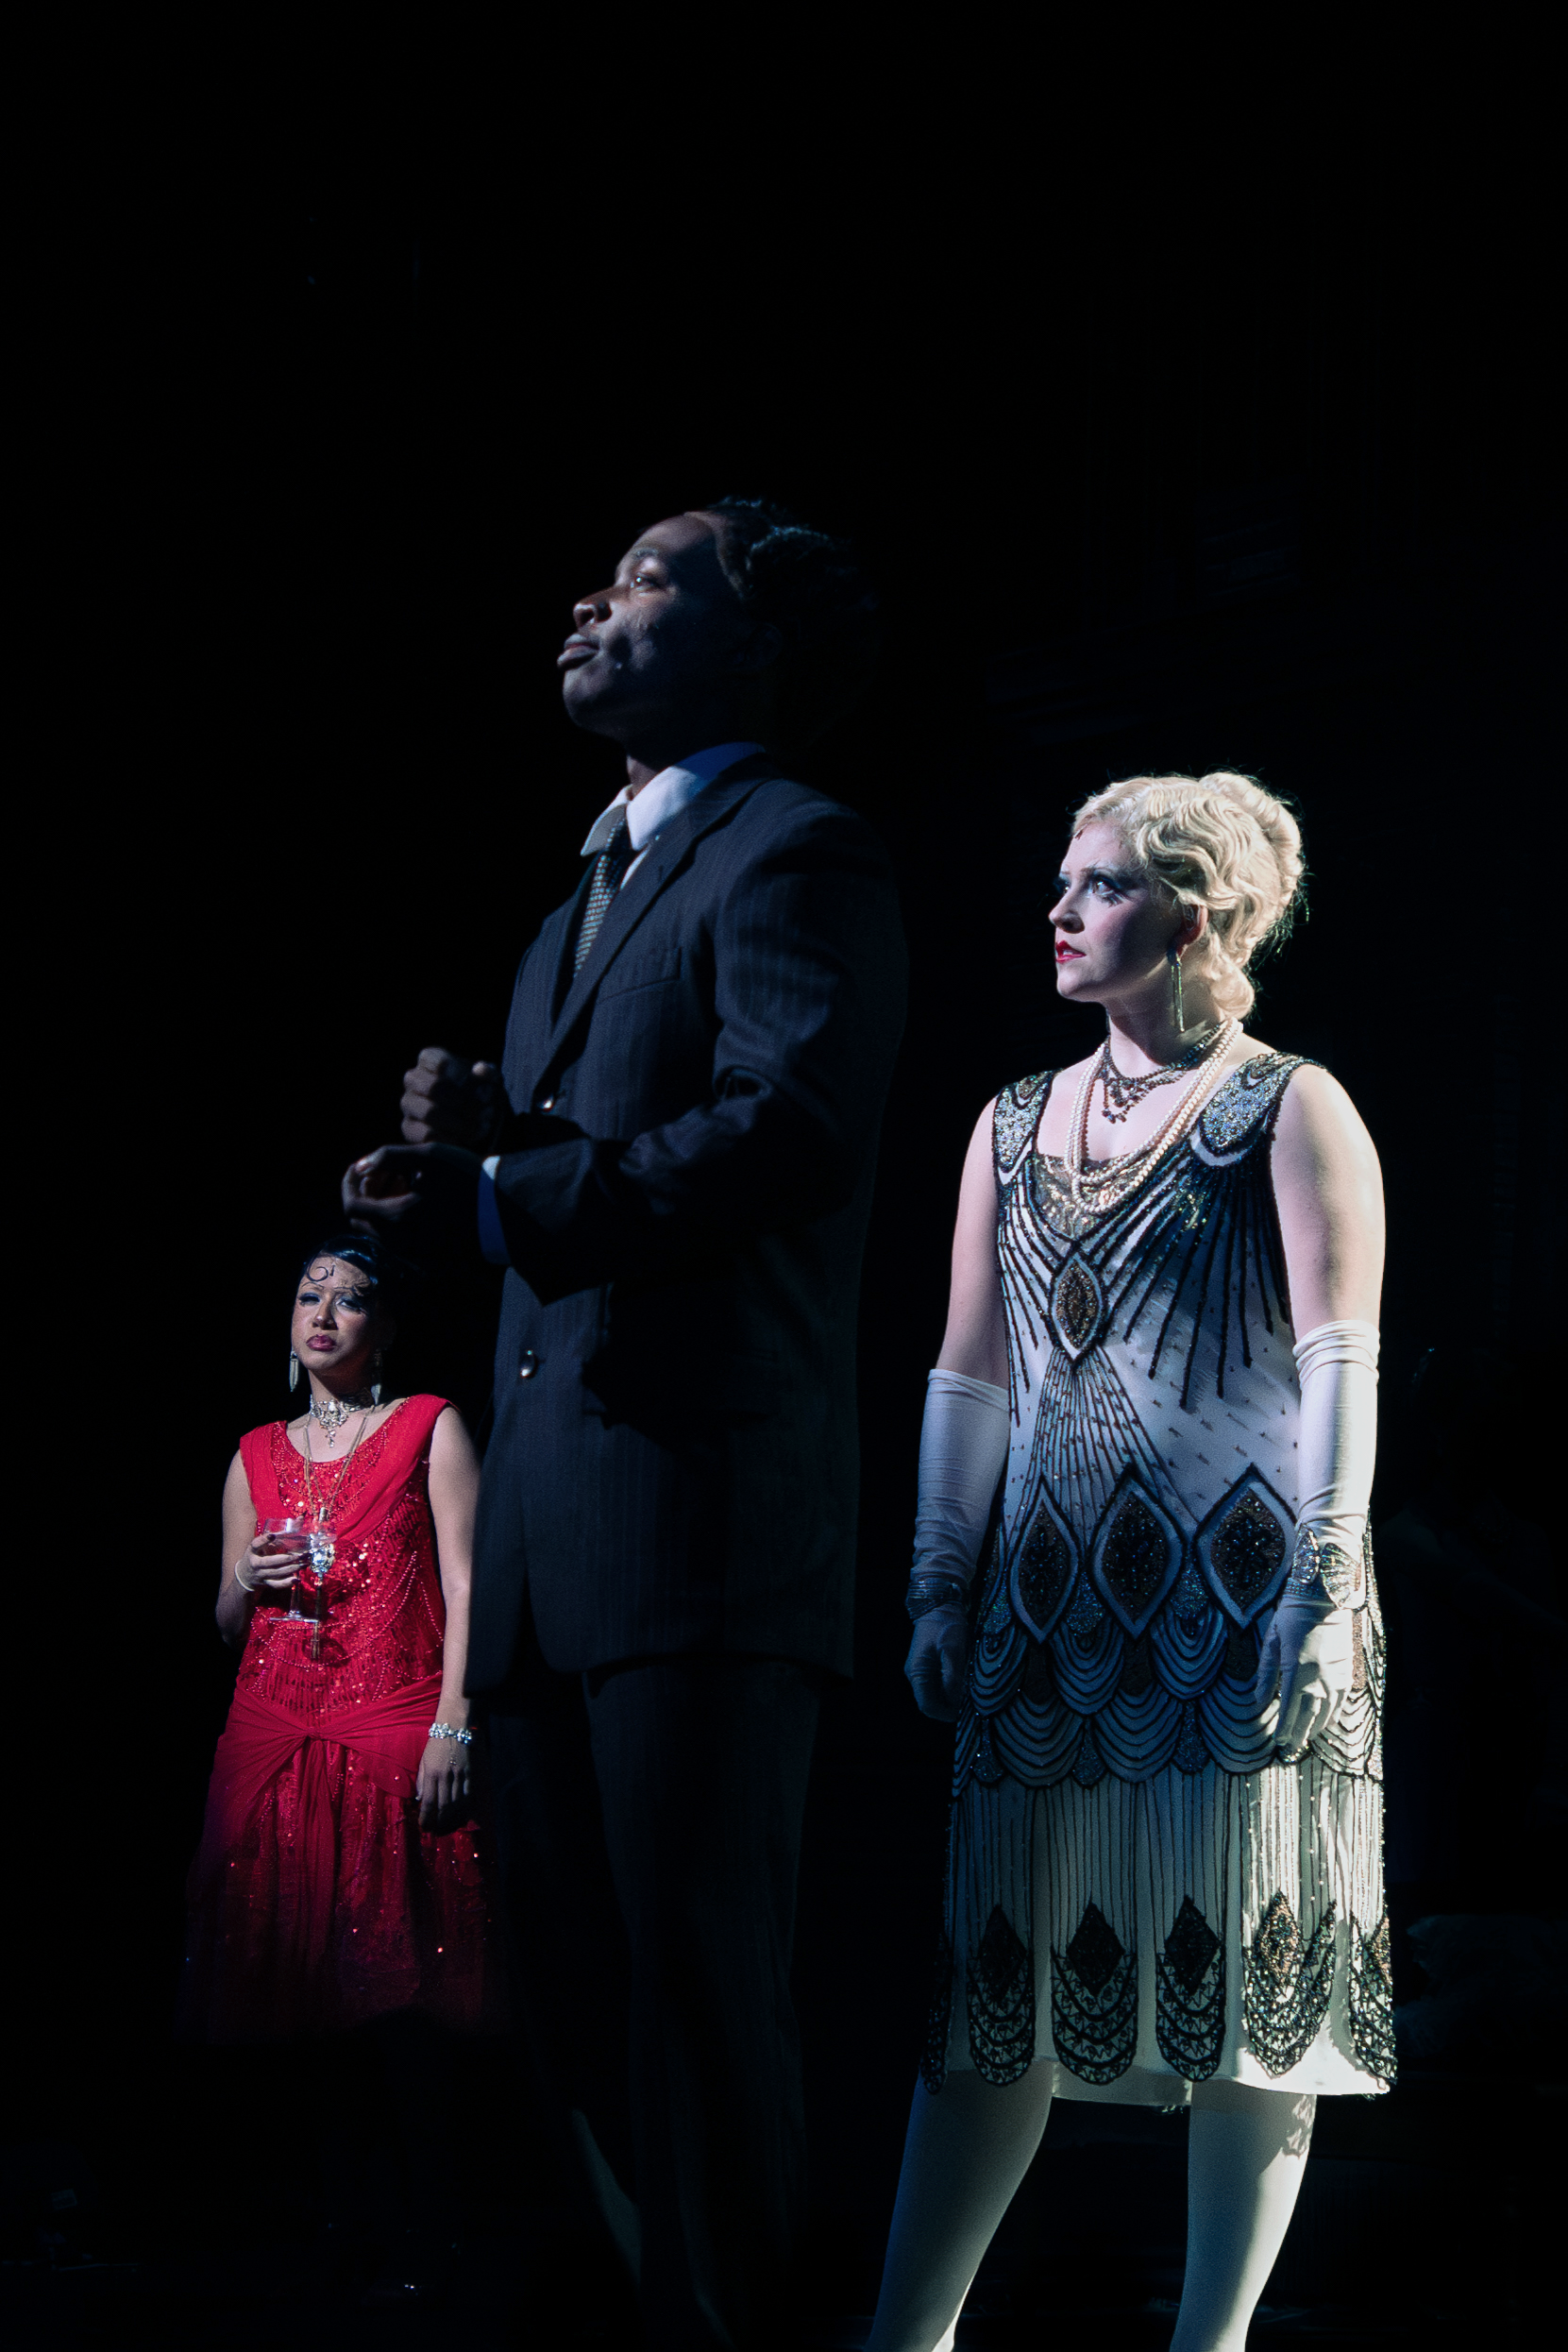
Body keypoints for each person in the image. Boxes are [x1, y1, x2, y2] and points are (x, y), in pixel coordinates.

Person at [341, 499, 907, 2349]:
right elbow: (585, 1170)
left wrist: (507, 1193)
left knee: (695, 1992)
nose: (591, 599)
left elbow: (786, 1129)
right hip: (548, 1540)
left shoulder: (796, 847)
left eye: (650, 578)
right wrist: (482, 1144)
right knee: (573, 2002)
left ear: (753, 648)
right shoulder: (569, 905)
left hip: (695, 1520)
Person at [870, 773, 1391, 2352]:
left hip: (1243, 1606)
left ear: (1194, 916)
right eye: (1064, 879)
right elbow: (970, 1368)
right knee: (995, 1986)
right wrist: (938, 1578)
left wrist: (1319, 1583)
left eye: (1098, 884)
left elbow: (1340, 1354)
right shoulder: (1010, 1121)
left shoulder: (1289, 1104)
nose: (1060, 909)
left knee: (1255, 1978)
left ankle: (1208, 2339)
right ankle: (906, 2332)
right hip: (1049, 1610)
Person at [181, 1235, 495, 2046]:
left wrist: (454, 1726)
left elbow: (470, 1586)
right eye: (307, 1296)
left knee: (390, 1997)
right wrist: (246, 1575)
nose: (322, 1313)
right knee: (258, 1996)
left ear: (383, 1326)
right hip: (268, 1735)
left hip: (390, 1728)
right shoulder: (253, 1452)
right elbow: (227, 1622)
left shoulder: (429, 1425)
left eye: (349, 1298)